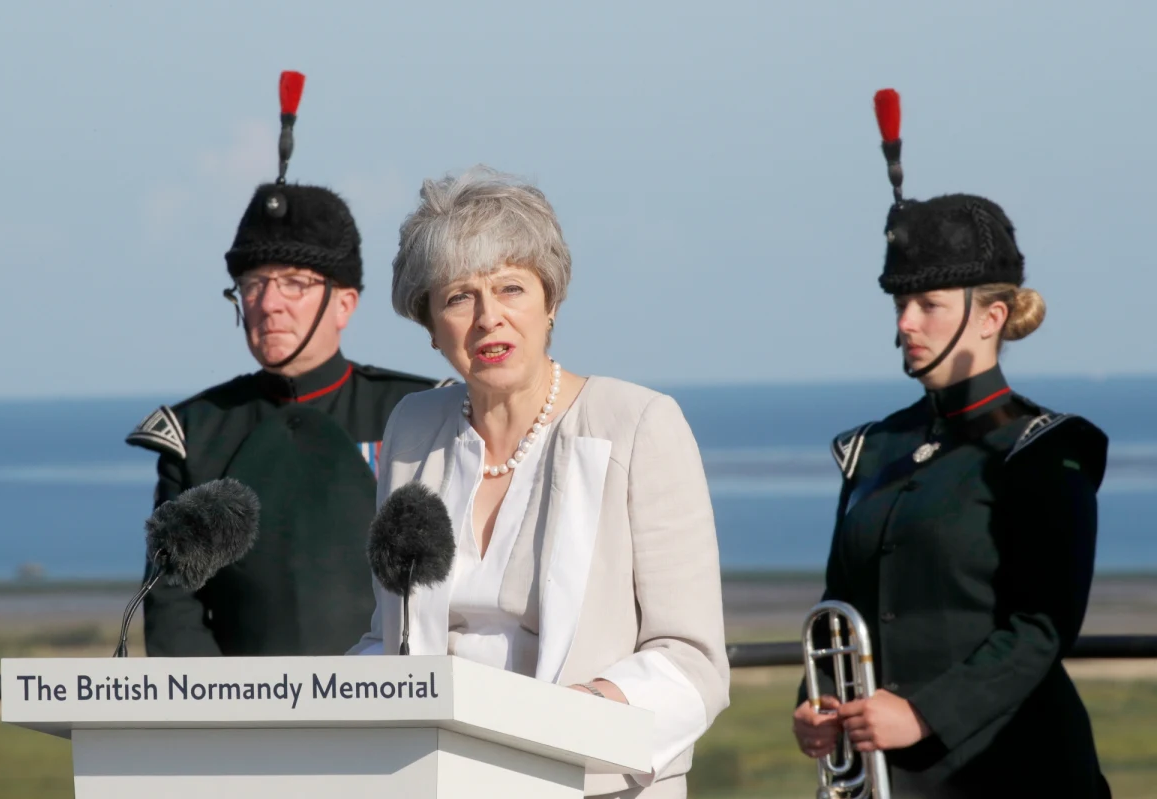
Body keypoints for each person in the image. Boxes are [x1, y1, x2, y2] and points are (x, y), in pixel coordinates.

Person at [346, 166, 730, 798]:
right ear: (431, 326)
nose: (488, 318)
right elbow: (392, 640)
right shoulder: (413, 430)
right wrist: (315, 700)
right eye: (458, 297)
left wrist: (574, 716)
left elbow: (692, 662)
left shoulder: (638, 425)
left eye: (510, 288)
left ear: (551, 301)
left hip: (589, 781)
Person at [791, 89, 1112, 798]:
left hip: (1016, 773)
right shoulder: (874, 447)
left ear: (992, 315)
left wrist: (921, 713)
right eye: (901, 304)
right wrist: (813, 704)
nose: (907, 322)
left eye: (929, 304)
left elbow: (1040, 628)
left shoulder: (1043, 449)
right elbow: (841, 602)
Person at [125, 71, 452, 657]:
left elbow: (454, 587)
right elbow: (173, 607)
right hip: (237, 731)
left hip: (392, 715)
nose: (268, 303)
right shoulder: (196, 430)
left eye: (296, 283)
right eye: (252, 284)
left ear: (345, 303)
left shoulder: (421, 411)